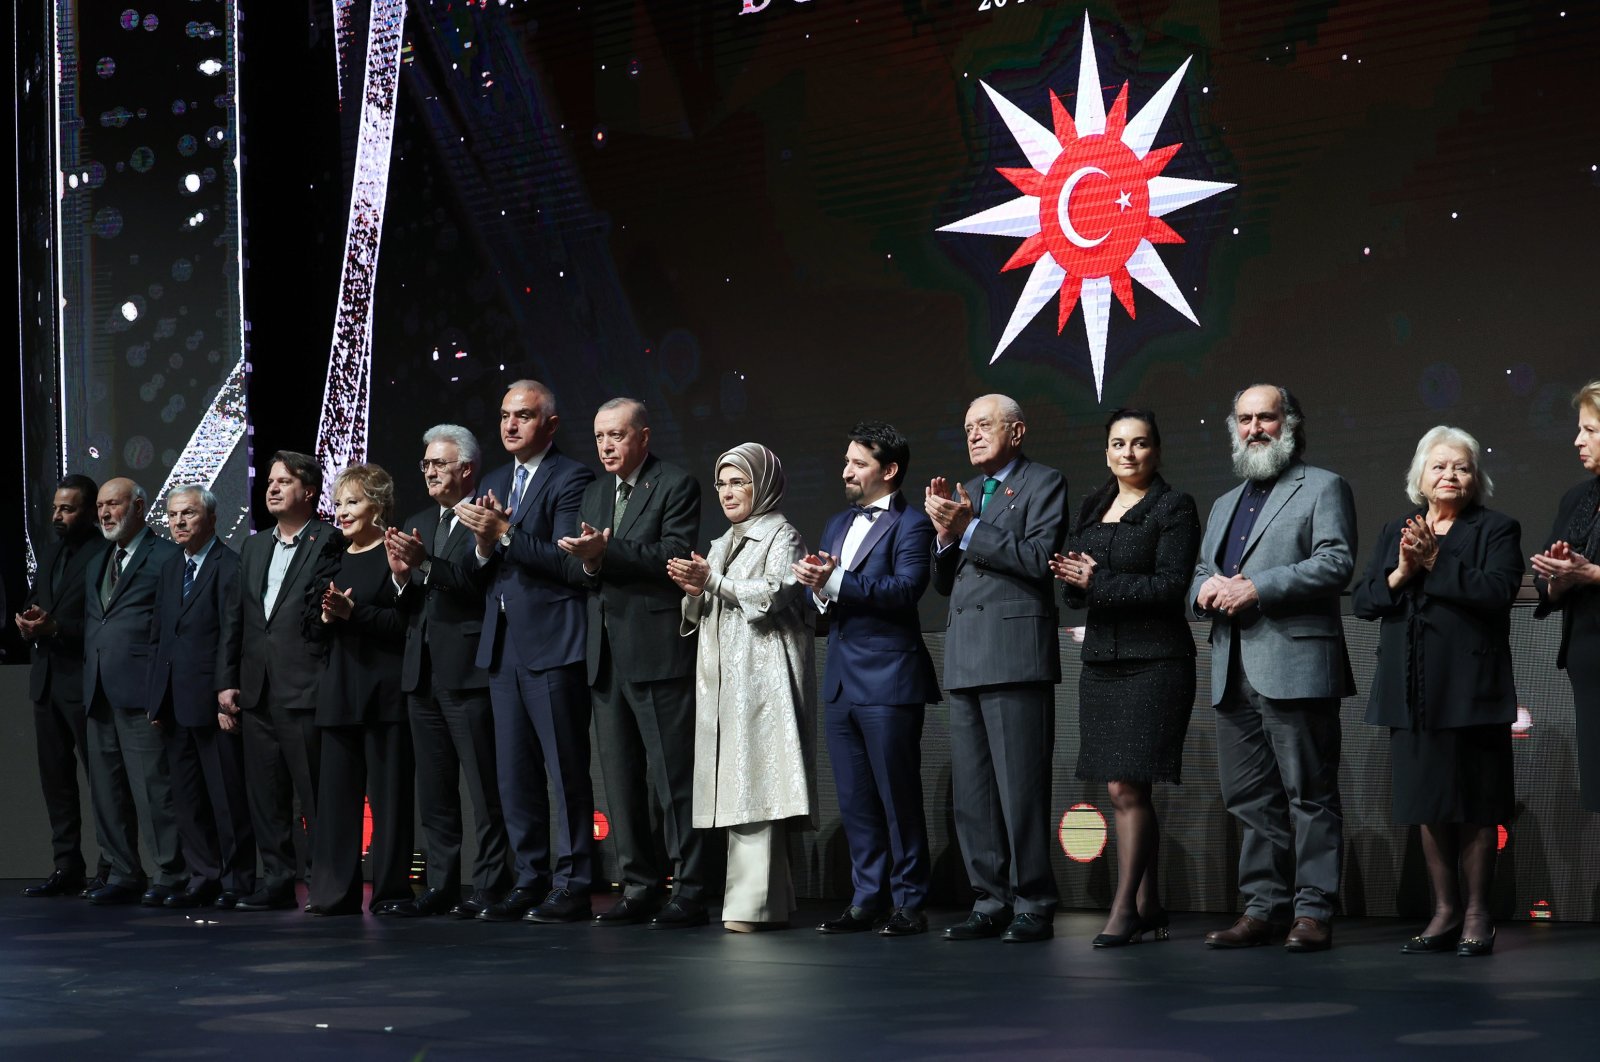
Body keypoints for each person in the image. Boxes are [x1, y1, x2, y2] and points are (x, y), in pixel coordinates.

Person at [1190, 384, 1355, 952]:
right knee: (1249, 798)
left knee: (1309, 793)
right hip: (1231, 666)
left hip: (1296, 660)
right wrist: (1204, 588)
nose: (1255, 427)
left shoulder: (1323, 486)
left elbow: (1336, 563)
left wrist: (1258, 587)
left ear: (1290, 422)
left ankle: (1312, 911)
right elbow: (1199, 573)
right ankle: (1263, 907)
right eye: (1244, 419)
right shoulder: (1222, 504)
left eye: (1266, 417)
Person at [1352, 426, 1520, 957]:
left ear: (1476, 478)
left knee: (1475, 803)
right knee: (1429, 803)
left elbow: (1497, 593)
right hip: (1412, 690)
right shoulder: (1396, 530)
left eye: (1462, 467)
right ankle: (1444, 911)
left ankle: (1477, 913)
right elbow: (1365, 600)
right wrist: (1402, 571)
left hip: (1472, 689)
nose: (1450, 475)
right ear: (1419, 476)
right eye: (1439, 466)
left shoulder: (1497, 529)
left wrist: (1435, 562)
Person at [1049, 409, 1199, 947]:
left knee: (1125, 786)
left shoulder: (1174, 506)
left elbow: (1169, 587)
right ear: (1106, 451)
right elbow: (1077, 587)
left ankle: (1123, 909)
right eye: (1118, 444)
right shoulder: (1093, 504)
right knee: (1124, 789)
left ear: (1156, 451)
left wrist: (1098, 579)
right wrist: (1071, 579)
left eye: (1139, 444)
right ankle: (1149, 905)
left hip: (1156, 661)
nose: (1128, 454)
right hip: (1103, 665)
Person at [558, 398, 710, 929]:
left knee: (673, 782)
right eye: (599, 437)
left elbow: (673, 555)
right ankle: (640, 885)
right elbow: (579, 572)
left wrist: (607, 552)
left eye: (616, 436)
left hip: (656, 651)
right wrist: (590, 560)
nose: (605, 446)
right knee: (620, 782)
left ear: (643, 437)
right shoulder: (595, 492)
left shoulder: (675, 483)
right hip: (604, 654)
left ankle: (690, 888)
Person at [925, 394, 1067, 944]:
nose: (974, 435)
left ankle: (1033, 900)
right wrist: (943, 537)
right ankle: (989, 899)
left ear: (1017, 431)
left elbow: (1038, 560)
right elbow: (943, 583)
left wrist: (967, 529)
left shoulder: (1043, 483)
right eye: (967, 428)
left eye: (984, 425)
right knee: (975, 794)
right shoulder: (964, 494)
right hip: (965, 657)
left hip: (1014, 655)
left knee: (1020, 789)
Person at [455, 380, 597, 924]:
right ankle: (530, 877)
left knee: (565, 770)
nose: (511, 425)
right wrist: (485, 544)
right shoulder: (493, 480)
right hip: (503, 645)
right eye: (505, 416)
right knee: (513, 773)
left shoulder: (571, 477)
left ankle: (574, 881)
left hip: (552, 642)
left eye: (524, 416)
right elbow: (478, 570)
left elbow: (568, 564)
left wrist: (506, 534)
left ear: (551, 425)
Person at [793, 422, 939, 938]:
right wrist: (819, 588)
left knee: (897, 796)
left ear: (889, 470)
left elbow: (904, 590)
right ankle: (866, 897)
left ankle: (910, 901)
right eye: (847, 461)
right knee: (855, 798)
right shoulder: (835, 523)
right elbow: (829, 599)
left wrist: (834, 579)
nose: (846, 471)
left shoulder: (913, 525)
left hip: (889, 679)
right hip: (841, 679)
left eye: (858, 463)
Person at [669, 443, 816, 932]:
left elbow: (776, 592)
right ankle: (769, 904)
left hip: (764, 677)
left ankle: (749, 908)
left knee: (757, 783)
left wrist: (713, 582)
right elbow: (706, 607)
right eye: (722, 484)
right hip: (725, 681)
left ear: (764, 484)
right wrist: (695, 593)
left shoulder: (782, 534)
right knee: (741, 784)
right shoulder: (718, 542)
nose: (727, 493)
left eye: (738, 482)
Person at [384, 425, 512, 918]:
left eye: (439, 464)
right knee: (434, 790)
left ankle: (490, 884)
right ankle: (441, 884)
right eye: (426, 465)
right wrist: (401, 579)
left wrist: (425, 565)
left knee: (483, 787)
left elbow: (475, 585)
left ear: (467, 469)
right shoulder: (419, 519)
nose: (431, 472)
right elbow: (413, 604)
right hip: (422, 674)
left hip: (468, 672)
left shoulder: (483, 519)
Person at [218, 451, 339, 912]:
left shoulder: (328, 540)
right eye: (270, 480)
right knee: (266, 793)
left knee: (313, 792)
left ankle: (325, 882)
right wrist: (226, 681)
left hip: (305, 685)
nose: (272, 488)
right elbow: (238, 619)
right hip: (256, 688)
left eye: (284, 481)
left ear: (308, 491)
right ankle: (278, 879)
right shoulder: (253, 546)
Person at [303, 464, 414, 916]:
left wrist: (355, 614)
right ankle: (333, 893)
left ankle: (390, 893)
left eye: (353, 502)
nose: (342, 511)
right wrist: (329, 618)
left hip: (386, 695)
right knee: (335, 804)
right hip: (339, 692)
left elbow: (406, 625)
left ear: (379, 506)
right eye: (340, 502)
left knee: (389, 803)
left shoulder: (396, 552)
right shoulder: (332, 558)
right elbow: (310, 627)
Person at [146, 485, 256, 909]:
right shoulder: (172, 567)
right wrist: (156, 698)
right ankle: (202, 875)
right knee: (187, 798)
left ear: (210, 518)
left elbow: (233, 636)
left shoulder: (230, 566)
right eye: (173, 515)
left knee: (226, 796)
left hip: (214, 705)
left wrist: (223, 697)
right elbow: (159, 636)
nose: (178, 522)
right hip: (174, 702)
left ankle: (236, 881)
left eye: (188, 514)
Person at [81, 478, 185, 906]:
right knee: (107, 791)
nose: (104, 513)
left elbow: (172, 628)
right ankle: (123, 872)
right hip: (99, 690)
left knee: (153, 788)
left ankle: (171, 873)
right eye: (101, 506)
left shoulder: (165, 557)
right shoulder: (99, 561)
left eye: (114, 504)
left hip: (142, 691)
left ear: (139, 506)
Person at [14, 474, 108, 897]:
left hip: (84, 682)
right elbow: (37, 598)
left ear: (90, 512)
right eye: (55, 507)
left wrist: (58, 628)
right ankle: (67, 866)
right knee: (56, 781)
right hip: (46, 683)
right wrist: (27, 621)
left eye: (67, 509)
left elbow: (108, 621)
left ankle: (113, 867)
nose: (57, 515)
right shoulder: (50, 553)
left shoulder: (105, 554)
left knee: (102, 781)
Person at [1532, 379, 1600, 813]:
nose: (1577, 440)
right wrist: (1559, 578)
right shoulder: (1577, 498)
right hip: (1590, 661)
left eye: (1590, 430)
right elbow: (1546, 579)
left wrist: (1591, 572)